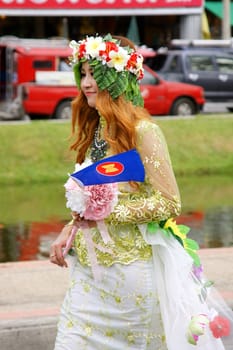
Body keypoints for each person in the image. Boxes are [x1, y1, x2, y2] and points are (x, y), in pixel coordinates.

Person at [50, 34, 233, 350]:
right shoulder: (93, 131)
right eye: (83, 74)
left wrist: (109, 212)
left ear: (118, 77)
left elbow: (168, 201)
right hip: (88, 275)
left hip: (130, 273)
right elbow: (88, 198)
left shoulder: (144, 132)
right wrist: (69, 228)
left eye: (95, 74)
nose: (86, 83)